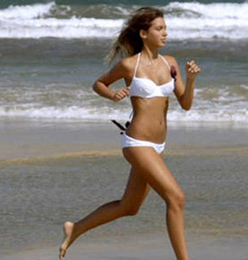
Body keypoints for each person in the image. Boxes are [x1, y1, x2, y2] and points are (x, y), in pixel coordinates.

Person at [59, 6, 200, 260]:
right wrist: (113, 95)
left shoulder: (171, 64)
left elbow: (186, 104)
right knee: (176, 198)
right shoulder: (129, 66)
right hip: (137, 143)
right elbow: (98, 83)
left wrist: (190, 81)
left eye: (166, 28)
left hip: (158, 146)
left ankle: (75, 229)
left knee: (129, 206)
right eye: (159, 29)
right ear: (144, 34)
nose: (165, 33)